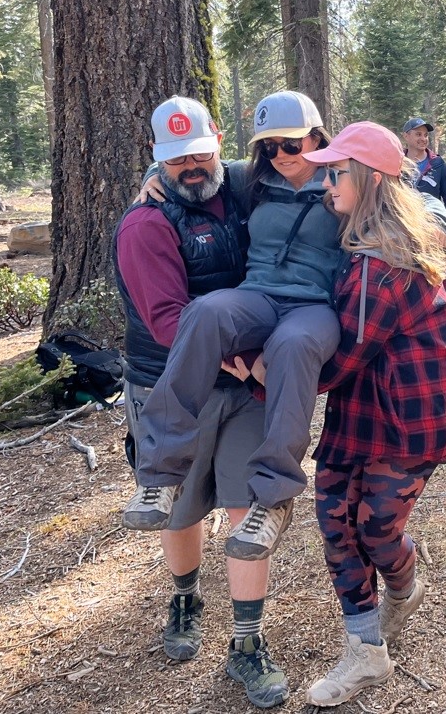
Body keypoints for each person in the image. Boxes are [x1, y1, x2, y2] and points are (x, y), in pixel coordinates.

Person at [229, 121, 446, 707]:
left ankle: (403, 584)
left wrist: (264, 375)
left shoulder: (383, 263)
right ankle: (365, 653)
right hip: (362, 410)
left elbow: (338, 363)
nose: (325, 180)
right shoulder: (356, 243)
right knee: (337, 522)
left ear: (365, 178)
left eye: (336, 172)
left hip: (410, 420)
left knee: (377, 530)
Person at [113, 95, 289, 708]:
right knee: (183, 509)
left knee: (247, 506)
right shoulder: (145, 224)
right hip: (170, 383)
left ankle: (247, 644)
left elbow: (303, 170)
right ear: (157, 160)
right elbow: (165, 320)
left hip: (246, 387)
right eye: (175, 158)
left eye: (199, 152)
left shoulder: (244, 189)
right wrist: (240, 356)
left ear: (219, 141)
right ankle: (185, 597)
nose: (191, 166)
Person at [125, 90, 343, 564]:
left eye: (290, 144)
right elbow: (186, 171)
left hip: (315, 306)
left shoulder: (344, 180)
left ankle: (274, 495)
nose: (280, 155)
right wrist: (150, 177)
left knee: (294, 343)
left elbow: (408, 197)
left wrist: (432, 218)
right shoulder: (254, 180)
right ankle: (160, 474)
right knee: (204, 312)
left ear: (315, 136)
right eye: (268, 146)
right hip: (259, 296)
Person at [402, 117, 446, 228]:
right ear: (406, 136)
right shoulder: (396, 164)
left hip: (430, 231)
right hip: (401, 231)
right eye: (418, 134)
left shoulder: (440, 166)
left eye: (426, 135)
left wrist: (443, 229)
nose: (423, 138)